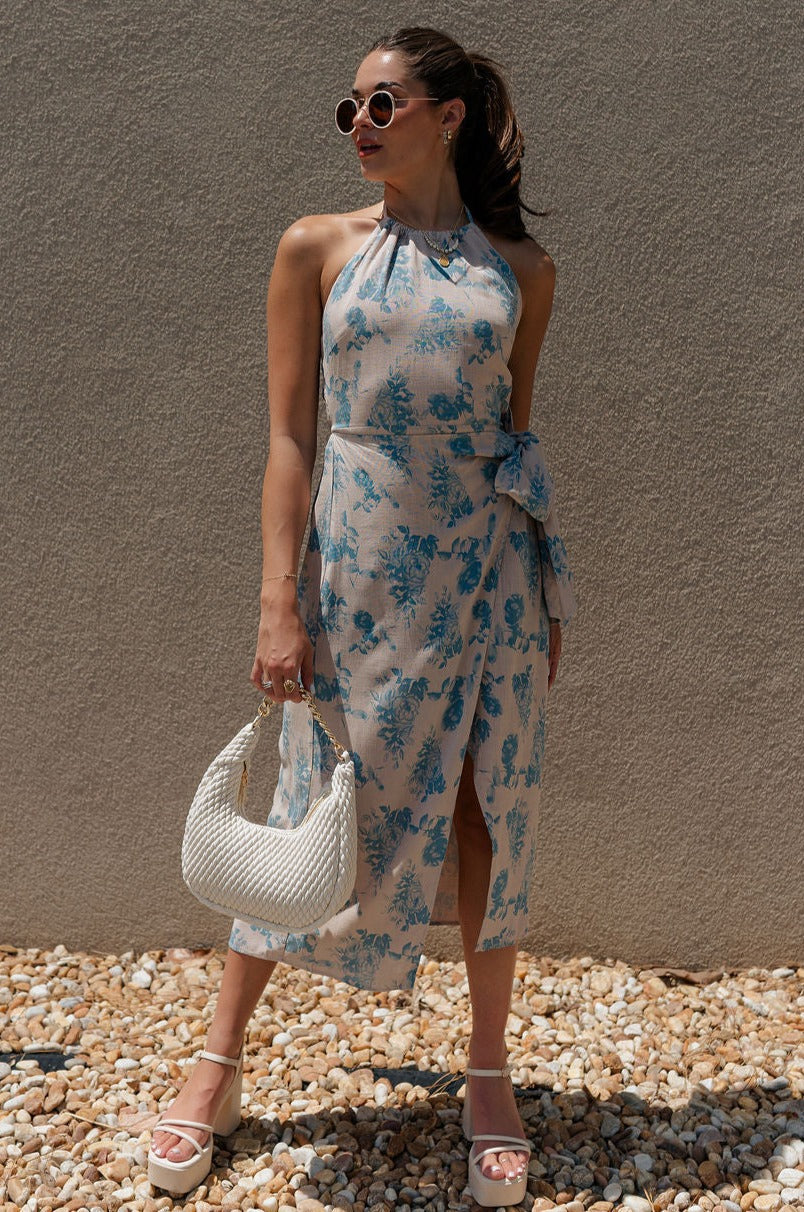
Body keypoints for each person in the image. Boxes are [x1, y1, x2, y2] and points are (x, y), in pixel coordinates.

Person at [148, 25, 577, 1207]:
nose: (360, 126)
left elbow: (515, 439)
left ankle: (488, 1078)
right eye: (348, 110)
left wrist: (539, 581)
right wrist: (277, 602)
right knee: (307, 811)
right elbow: (289, 442)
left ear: (448, 115)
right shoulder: (315, 249)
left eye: (382, 103)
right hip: (357, 584)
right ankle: (216, 1067)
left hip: (487, 583)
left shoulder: (521, 272)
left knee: (492, 811)